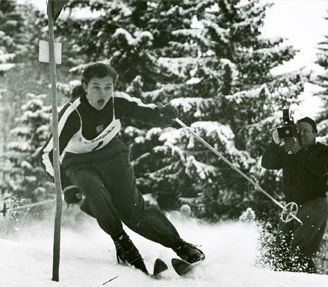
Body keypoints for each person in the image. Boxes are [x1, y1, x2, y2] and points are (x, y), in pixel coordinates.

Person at [40, 63, 205, 274]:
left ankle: (180, 246)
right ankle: (123, 244)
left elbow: (146, 111)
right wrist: (66, 185)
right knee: (94, 191)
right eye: (97, 87)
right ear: (85, 86)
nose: (103, 94)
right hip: (79, 163)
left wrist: (165, 116)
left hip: (112, 156)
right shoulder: (73, 113)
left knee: (132, 210)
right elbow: (47, 154)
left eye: (108, 87)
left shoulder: (117, 102)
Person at [261, 116, 328, 273]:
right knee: (280, 251)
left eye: (306, 130)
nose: (302, 134)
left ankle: (304, 281)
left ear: (315, 133)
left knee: (300, 250)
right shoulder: (289, 152)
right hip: (292, 206)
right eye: (298, 130)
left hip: (315, 203)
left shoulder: (323, 151)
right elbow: (267, 163)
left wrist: (299, 151)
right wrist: (275, 143)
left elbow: (321, 169)